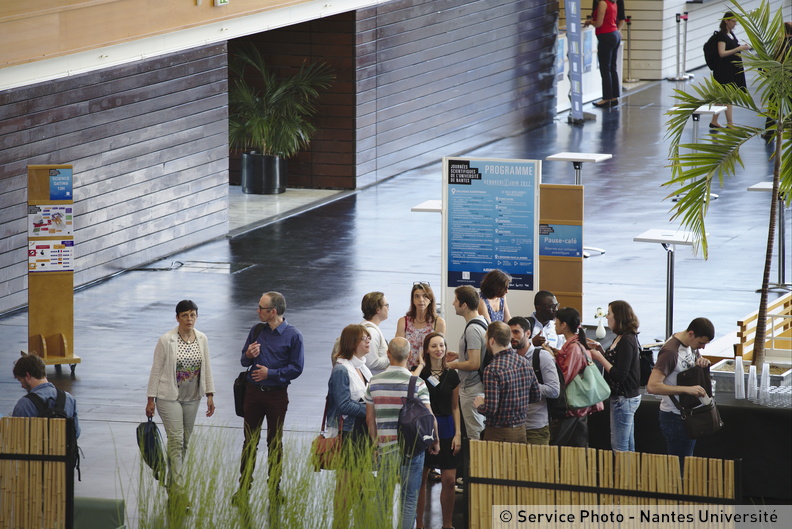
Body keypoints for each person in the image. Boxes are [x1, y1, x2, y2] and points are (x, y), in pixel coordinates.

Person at [234, 291, 304, 505]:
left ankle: (274, 488)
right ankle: (243, 489)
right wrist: (248, 356)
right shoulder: (256, 331)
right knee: (249, 443)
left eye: (261, 308)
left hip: (276, 396)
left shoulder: (293, 335)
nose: (257, 311)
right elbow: (243, 362)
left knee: (275, 443)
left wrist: (270, 374)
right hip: (253, 394)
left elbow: (297, 368)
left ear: (273, 312)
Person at [365, 337, 440, 529]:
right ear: (409, 355)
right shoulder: (418, 383)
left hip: (385, 450)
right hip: (412, 449)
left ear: (388, 354)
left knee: (384, 498)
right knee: (409, 498)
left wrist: (375, 446)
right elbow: (430, 417)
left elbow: (369, 420)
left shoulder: (374, 382)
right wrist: (435, 441)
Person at [145, 299, 215, 493]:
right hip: (169, 397)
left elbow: (206, 367)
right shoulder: (166, 340)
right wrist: (150, 399)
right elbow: (156, 370)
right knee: (176, 439)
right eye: (185, 315)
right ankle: (179, 490)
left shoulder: (202, 338)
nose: (189, 319)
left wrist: (210, 394)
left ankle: (172, 481)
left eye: (192, 315)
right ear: (177, 317)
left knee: (184, 442)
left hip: (193, 397)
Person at [646, 318, 713, 461]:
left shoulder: (689, 344)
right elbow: (652, 386)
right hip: (675, 418)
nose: (702, 348)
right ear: (690, 334)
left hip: (687, 415)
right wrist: (687, 390)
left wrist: (700, 362)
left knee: (685, 465)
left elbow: (687, 365)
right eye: (701, 343)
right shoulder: (670, 352)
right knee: (680, 468)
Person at [327, 324, 373, 529]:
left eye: (368, 338)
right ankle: (340, 523)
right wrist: (372, 411)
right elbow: (344, 404)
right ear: (352, 343)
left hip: (364, 430)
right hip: (351, 432)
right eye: (364, 338)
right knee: (346, 484)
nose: (368, 342)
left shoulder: (362, 366)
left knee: (362, 482)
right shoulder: (341, 369)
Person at [416, 332, 460, 529]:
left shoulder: (452, 374)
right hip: (424, 428)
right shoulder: (420, 374)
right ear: (426, 350)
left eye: (441, 345)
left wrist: (458, 433)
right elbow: (409, 388)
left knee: (449, 480)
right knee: (421, 478)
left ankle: (447, 524)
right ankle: (419, 523)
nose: (439, 349)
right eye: (434, 346)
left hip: (447, 427)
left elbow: (455, 407)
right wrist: (419, 366)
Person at [543, 307, 604, 447]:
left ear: (564, 325)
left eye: (556, 322)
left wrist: (551, 358)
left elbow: (565, 376)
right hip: (579, 404)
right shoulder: (576, 345)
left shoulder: (573, 348)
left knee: (556, 443)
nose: (554, 325)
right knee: (578, 444)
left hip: (572, 404)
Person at [587, 300, 642, 452]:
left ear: (619, 316)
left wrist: (599, 358)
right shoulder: (621, 337)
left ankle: (623, 474)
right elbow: (616, 362)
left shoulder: (627, 340)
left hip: (623, 398)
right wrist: (599, 348)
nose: (606, 317)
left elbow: (620, 374)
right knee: (627, 444)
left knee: (620, 446)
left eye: (609, 313)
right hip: (623, 397)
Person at [474, 321, 540, 443]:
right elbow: (536, 395)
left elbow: (490, 410)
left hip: (498, 433)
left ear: (492, 340)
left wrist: (479, 405)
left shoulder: (492, 369)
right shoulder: (524, 362)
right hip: (521, 430)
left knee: (494, 462)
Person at [508, 316, 560, 445]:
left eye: (516, 332)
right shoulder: (509, 358)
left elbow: (554, 390)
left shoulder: (542, 356)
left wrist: (526, 385)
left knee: (538, 465)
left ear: (528, 333)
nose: (512, 337)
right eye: (510, 333)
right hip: (513, 426)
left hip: (536, 427)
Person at [446, 285, 487, 441]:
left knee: (474, 435)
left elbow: (474, 363)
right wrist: (458, 355)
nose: (453, 303)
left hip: (472, 390)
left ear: (464, 305)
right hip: (476, 388)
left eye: (456, 300)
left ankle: (477, 466)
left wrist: (451, 365)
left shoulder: (472, 329)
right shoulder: (482, 322)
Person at [12, 352, 80, 437]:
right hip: (64, 450)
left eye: (20, 380)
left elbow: (16, 437)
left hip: (33, 450)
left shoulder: (25, 404)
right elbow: (76, 433)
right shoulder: (69, 399)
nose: (22, 386)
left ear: (27, 375)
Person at [709, 12, 750, 129]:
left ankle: (714, 121)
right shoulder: (722, 36)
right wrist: (739, 48)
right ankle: (730, 123)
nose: (734, 24)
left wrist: (740, 47)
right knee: (727, 96)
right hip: (724, 70)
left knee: (721, 97)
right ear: (726, 21)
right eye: (733, 21)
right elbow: (722, 53)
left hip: (730, 69)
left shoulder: (730, 34)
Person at [395, 282, 446, 372]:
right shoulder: (403, 322)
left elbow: (440, 351)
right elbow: (399, 351)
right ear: (413, 300)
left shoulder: (438, 322)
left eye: (425, 296)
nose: (421, 300)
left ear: (430, 299)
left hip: (430, 371)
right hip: (407, 370)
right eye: (417, 296)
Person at [587, 0, 623, 108]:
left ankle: (606, 98)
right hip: (614, 34)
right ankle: (614, 96)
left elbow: (599, 23)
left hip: (606, 36)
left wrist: (589, 21)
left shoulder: (603, 3)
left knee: (605, 68)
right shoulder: (613, 2)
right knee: (612, 67)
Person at [360, 291, 390, 376]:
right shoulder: (371, 332)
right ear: (378, 309)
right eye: (386, 305)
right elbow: (371, 363)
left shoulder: (367, 327)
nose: (388, 308)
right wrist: (391, 357)